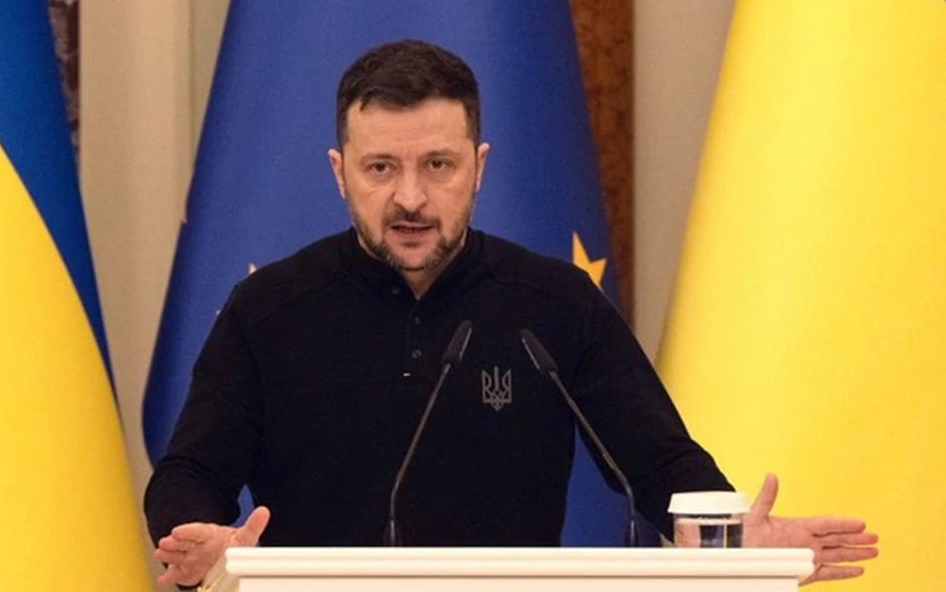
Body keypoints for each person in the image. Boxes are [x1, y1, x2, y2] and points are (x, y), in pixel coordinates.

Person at [144, 40, 878, 588]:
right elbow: (188, 473)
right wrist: (200, 540)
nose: (410, 198)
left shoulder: (553, 306)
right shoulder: (270, 309)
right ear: (341, 173)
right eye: (381, 168)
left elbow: (660, 465)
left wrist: (731, 539)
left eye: (438, 165)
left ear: (480, 167)